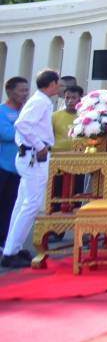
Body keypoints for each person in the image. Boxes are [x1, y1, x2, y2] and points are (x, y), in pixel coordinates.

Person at [2, 70, 61, 268]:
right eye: (58, 83)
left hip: (30, 155)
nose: (59, 87)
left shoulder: (40, 100)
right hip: (34, 156)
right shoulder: (40, 101)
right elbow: (22, 124)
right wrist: (39, 145)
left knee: (22, 204)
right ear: (52, 84)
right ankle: (10, 252)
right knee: (32, 204)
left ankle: (13, 247)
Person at [0, 77, 27, 244]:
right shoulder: (2, 112)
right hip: (3, 166)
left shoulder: (23, 112)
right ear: (10, 91)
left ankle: (6, 240)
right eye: (21, 90)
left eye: (26, 90)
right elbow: (8, 134)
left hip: (19, 167)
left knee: (12, 205)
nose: (25, 94)